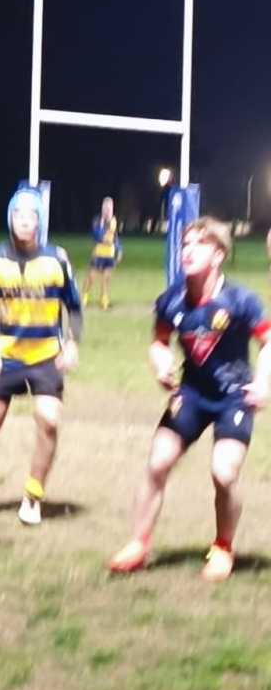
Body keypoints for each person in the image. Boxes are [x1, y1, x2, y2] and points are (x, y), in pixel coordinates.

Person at [109, 219, 271, 580]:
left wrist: (262, 382)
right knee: (157, 463)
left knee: (224, 473)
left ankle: (223, 548)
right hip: (192, 394)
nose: (188, 251)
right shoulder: (172, 300)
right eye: (185, 244)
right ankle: (138, 544)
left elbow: (268, 340)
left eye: (199, 244)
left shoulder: (240, 300)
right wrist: (161, 363)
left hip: (233, 397)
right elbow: (159, 341)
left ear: (218, 255)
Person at [0, 187, 83, 527]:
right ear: (10, 218)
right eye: (18, 214)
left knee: (49, 420)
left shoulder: (57, 259)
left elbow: (73, 306)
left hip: (45, 356)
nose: (25, 221)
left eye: (31, 215)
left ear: (40, 221)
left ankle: (32, 496)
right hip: (6, 356)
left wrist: (72, 342)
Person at [89, 197, 122, 311]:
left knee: (106, 278)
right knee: (91, 277)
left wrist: (119, 249)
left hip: (110, 254)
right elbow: (95, 235)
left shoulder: (114, 221)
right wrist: (103, 236)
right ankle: (84, 296)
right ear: (102, 209)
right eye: (106, 208)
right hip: (98, 254)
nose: (108, 211)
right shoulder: (97, 220)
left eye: (110, 208)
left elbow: (115, 237)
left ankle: (104, 300)